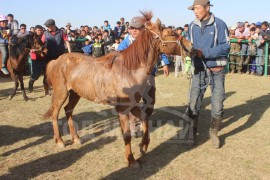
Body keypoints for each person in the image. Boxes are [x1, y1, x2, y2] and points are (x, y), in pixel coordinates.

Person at [117, 16, 170, 136]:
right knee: (133, 103)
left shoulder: (150, 39)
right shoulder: (125, 43)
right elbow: (118, 56)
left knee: (150, 102)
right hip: (132, 79)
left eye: (137, 28)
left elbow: (160, 50)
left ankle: (144, 120)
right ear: (129, 29)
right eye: (131, 28)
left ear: (143, 29)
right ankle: (134, 126)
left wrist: (165, 63)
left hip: (149, 76)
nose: (134, 30)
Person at [187, 0, 230, 148]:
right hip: (199, 71)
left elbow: (226, 47)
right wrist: (188, 50)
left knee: (217, 106)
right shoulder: (192, 26)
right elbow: (189, 45)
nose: (195, 11)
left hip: (216, 72)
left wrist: (204, 52)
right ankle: (192, 133)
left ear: (207, 7)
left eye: (197, 8)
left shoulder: (220, 24)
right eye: (193, 9)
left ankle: (213, 132)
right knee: (193, 104)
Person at [28, 25, 48, 94]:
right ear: (35, 30)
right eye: (39, 30)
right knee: (36, 75)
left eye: (41, 30)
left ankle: (46, 90)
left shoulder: (44, 36)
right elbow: (28, 47)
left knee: (46, 74)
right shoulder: (31, 38)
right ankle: (31, 81)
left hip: (44, 58)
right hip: (35, 58)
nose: (40, 31)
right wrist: (31, 49)